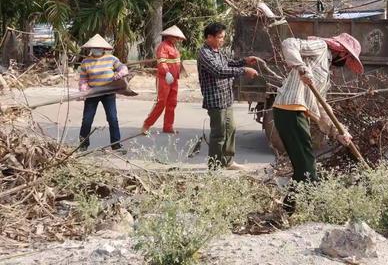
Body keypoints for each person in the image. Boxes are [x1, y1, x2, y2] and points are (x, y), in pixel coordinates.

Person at [273, 33, 363, 213]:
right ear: (342, 52)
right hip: (290, 109)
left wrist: (338, 132)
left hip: (297, 112)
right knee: (307, 166)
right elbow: (289, 42)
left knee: (303, 166)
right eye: (347, 58)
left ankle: (288, 210)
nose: (345, 63)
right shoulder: (321, 47)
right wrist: (301, 68)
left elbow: (321, 106)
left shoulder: (325, 68)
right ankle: (317, 208)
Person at [197, 22, 259, 170]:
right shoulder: (204, 53)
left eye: (223, 37)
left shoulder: (218, 51)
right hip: (215, 99)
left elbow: (228, 64)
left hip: (226, 97)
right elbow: (218, 71)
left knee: (230, 129)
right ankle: (215, 166)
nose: (222, 40)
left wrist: (244, 61)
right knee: (219, 134)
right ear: (209, 37)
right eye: (220, 37)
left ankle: (228, 161)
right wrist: (244, 70)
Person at [78, 34, 129, 153]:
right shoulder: (86, 62)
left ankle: (116, 145)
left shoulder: (111, 59)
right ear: (91, 48)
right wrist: (83, 89)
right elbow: (83, 79)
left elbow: (123, 68)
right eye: (94, 48)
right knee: (87, 119)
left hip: (108, 92)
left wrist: (119, 74)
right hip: (92, 93)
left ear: (103, 48)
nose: (96, 49)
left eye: (98, 47)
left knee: (112, 118)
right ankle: (83, 144)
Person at [142, 25, 186, 134]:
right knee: (161, 102)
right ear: (170, 36)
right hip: (164, 79)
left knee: (172, 103)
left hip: (174, 80)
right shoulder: (163, 46)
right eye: (176, 37)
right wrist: (167, 73)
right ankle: (147, 124)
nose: (178, 40)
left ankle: (168, 126)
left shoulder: (174, 47)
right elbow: (162, 62)